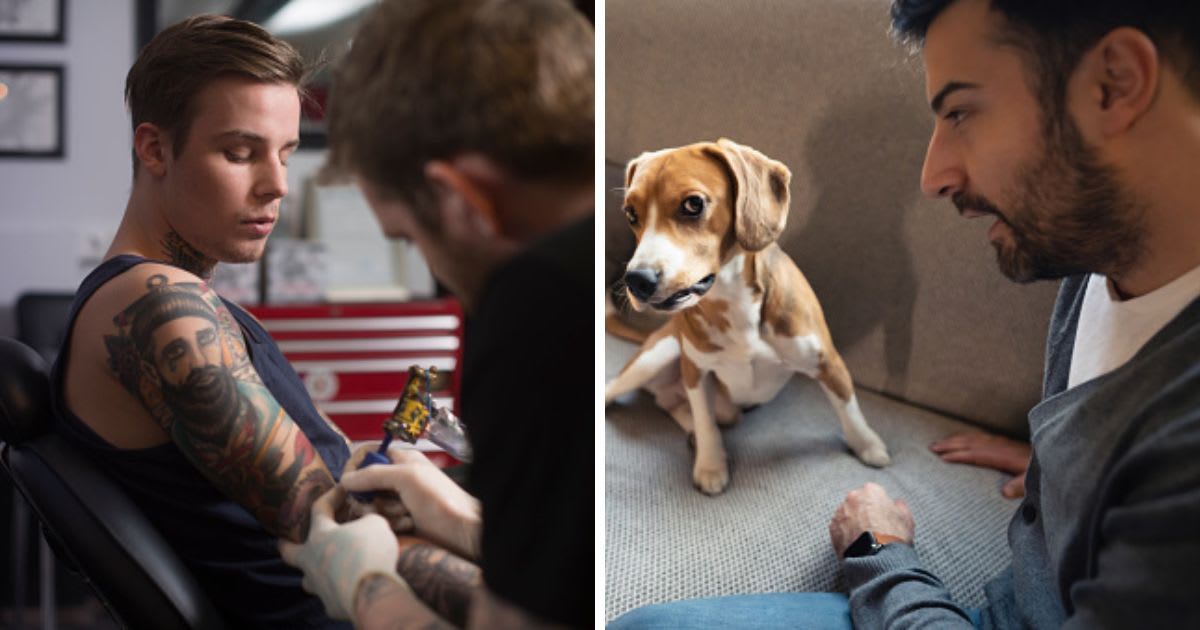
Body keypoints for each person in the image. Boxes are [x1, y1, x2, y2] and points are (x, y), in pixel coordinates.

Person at [609, 0, 1200, 627]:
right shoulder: (1099, 257)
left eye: (962, 111)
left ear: (1116, 83)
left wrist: (880, 553)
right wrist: (1077, 467)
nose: (931, 176)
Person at [277, 0, 595, 628]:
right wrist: (462, 518)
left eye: (407, 240)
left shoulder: (535, 311)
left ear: (460, 199)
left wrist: (362, 584)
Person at [50, 14, 355, 628]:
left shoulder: (186, 300)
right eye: (239, 153)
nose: (277, 186)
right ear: (154, 148)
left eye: (285, 155)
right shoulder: (159, 307)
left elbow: (334, 469)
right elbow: (337, 527)